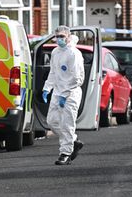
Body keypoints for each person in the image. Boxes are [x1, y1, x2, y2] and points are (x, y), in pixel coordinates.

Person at [42, 25, 85, 165]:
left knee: (67, 124)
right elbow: (53, 72)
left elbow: (77, 78)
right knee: (51, 121)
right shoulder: (55, 52)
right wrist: (47, 88)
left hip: (71, 93)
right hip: (57, 91)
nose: (59, 39)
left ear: (68, 37)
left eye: (62, 36)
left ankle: (65, 153)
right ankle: (73, 141)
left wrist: (65, 94)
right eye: (58, 36)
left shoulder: (74, 53)